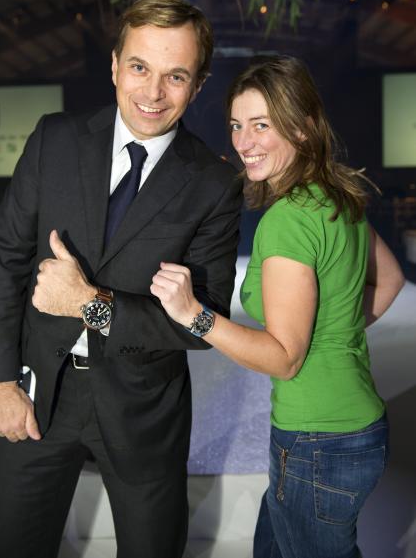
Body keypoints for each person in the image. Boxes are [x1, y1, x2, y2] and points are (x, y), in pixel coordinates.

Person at [0, 0, 242, 558]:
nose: (152, 92)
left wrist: (89, 303)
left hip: (145, 408)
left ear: (196, 86)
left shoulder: (213, 185)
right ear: (116, 63)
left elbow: (201, 322)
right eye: (140, 67)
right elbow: (6, 260)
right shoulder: (55, 139)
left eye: (176, 76)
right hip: (38, 393)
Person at [150, 55, 405, 558]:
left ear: (304, 128)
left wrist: (193, 316)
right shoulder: (338, 198)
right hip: (355, 429)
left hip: (317, 441)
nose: (244, 142)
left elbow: (285, 358)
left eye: (261, 125)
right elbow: (391, 280)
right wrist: (332, 334)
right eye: (237, 126)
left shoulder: (287, 221)